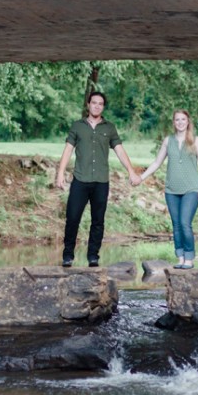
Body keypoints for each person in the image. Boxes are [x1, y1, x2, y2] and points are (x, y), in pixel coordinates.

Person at [55, 91, 140, 267]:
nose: (97, 106)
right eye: (94, 103)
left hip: (101, 181)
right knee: (72, 218)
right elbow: (68, 149)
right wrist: (60, 172)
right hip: (80, 179)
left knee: (98, 220)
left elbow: (120, 151)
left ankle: (93, 256)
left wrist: (131, 171)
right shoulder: (77, 126)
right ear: (88, 104)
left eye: (100, 104)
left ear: (103, 107)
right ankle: (68, 255)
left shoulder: (109, 128)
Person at [138, 109, 198, 269]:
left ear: (188, 121)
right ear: (174, 122)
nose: (180, 122)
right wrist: (141, 178)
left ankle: (189, 258)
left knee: (184, 223)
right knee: (176, 225)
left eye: (183, 119)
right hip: (171, 190)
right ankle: (180, 257)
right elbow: (157, 163)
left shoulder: (196, 141)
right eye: (177, 120)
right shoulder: (168, 141)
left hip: (191, 188)